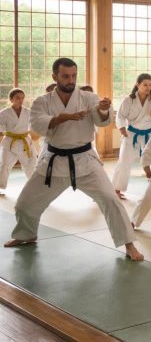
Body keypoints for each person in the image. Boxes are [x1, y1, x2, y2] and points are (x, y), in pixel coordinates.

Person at [4, 58, 143, 261]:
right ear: (55, 77)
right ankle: (26, 235)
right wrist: (62, 117)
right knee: (24, 204)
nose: (70, 80)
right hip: (54, 161)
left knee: (111, 200)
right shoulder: (42, 102)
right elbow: (36, 124)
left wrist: (104, 108)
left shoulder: (88, 97)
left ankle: (129, 244)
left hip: (85, 159)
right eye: (65, 76)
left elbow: (102, 120)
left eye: (74, 76)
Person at [112, 73, 151, 200]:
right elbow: (120, 116)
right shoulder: (129, 100)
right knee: (124, 161)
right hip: (131, 134)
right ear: (138, 85)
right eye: (145, 84)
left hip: (149, 133)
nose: (148, 87)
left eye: (150, 85)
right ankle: (116, 189)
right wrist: (122, 130)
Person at [0, 89, 37, 196]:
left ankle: (35, 186)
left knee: (31, 164)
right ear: (11, 99)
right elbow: (0, 131)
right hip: (9, 142)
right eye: (17, 98)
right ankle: (0, 186)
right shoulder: (4, 113)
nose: (21, 100)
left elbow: (35, 126)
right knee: (4, 165)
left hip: (25, 142)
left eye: (22, 97)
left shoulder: (28, 112)